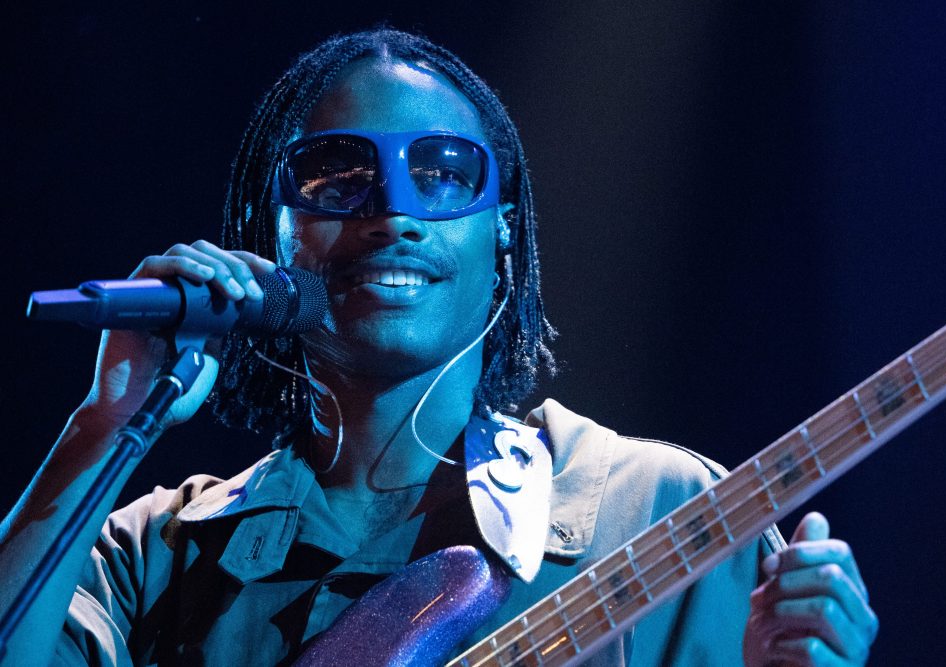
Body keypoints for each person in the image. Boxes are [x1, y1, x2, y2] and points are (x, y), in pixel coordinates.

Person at [0, 29, 877, 665]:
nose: (395, 213)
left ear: (503, 234)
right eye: (337, 176)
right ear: (269, 235)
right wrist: (109, 418)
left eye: (445, 173)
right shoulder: (157, 551)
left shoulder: (657, 509)